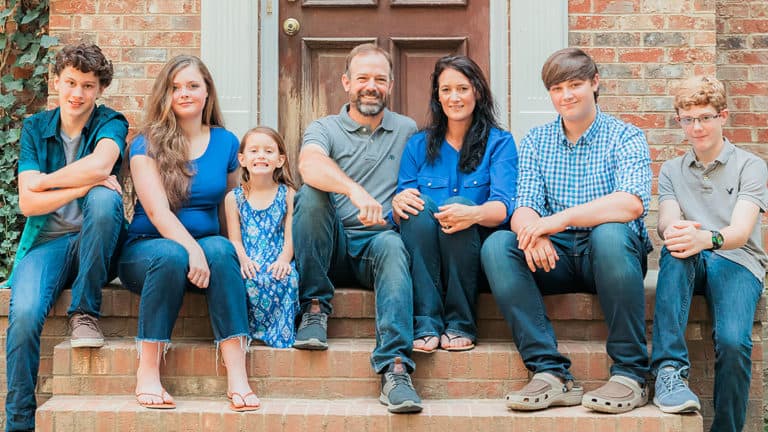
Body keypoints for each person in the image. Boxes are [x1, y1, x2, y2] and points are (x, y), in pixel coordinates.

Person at [480, 47, 652, 414]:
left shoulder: (626, 136)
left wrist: (555, 221)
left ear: (595, 83)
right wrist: (533, 232)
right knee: (498, 246)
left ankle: (631, 374)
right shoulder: (536, 141)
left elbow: (630, 203)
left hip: (609, 257)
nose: (566, 95)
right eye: (557, 88)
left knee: (610, 232)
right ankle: (551, 373)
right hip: (553, 256)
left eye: (575, 84)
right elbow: (524, 205)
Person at [118, 55, 259, 412]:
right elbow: (156, 211)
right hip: (147, 252)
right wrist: (192, 250)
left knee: (221, 250)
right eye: (175, 87)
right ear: (165, 95)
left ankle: (237, 374)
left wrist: (239, 251)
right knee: (172, 254)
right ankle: (147, 370)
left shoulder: (227, 143)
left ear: (207, 92)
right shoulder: (145, 143)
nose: (184, 93)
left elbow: (230, 205)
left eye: (193, 85)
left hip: (206, 254)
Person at [292, 43, 422, 413]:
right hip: (330, 243)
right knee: (311, 196)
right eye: (362, 78)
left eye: (380, 79)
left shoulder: (407, 130)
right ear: (347, 83)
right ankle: (315, 307)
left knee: (395, 247)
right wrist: (353, 189)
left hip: (376, 243)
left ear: (391, 85)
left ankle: (395, 368)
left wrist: (395, 206)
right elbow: (310, 165)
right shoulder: (325, 127)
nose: (371, 86)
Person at [5, 43, 128, 432]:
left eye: (88, 85)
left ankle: (85, 312)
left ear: (100, 89)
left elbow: (103, 163)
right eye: (71, 82)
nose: (78, 93)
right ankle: (19, 421)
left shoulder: (112, 122)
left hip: (99, 242)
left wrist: (48, 183)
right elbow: (27, 202)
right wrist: (78, 186)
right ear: (56, 81)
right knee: (23, 315)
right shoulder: (35, 128)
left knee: (106, 200)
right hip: (48, 245)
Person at [650, 76, 767, 431]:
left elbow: (740, 232)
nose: (696, 127)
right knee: (675, 248)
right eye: (688, 119)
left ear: (723, 117)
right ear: (679, 121)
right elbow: (666, 221)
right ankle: (669, 370)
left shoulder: (751, 166)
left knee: (733, 342)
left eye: (705, 117)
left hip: (738, 259)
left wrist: (707, 240)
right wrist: (675, 231)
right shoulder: (671, 170)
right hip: (691, 257)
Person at [393, 55, 517, 353]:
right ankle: (425, 321)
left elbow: (504, 207)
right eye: (445, 90)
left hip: (471, 251)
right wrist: (398, 201)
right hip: (426, 253)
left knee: (459, 205)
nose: (454, 97)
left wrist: (472, 214)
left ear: (477, 91)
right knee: (416, 205)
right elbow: (404, 205)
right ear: (437, 96)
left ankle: (461, 322)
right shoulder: (417, 145)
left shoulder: (500, 143)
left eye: (462, 88)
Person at [224, 126, 299, 348]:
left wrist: (285, 260)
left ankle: (279, 333)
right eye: (254, 151)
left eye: (268, 151)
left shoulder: (288, 194)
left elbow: (290, 237)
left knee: (288, 278)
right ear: (242, 159)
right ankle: (249, 331)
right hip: (249, 259)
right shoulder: (234, 198)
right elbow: (235, 239)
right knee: (245, 280)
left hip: (277, 258)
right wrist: (244, 260)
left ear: (280, 160)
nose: (261, 156)